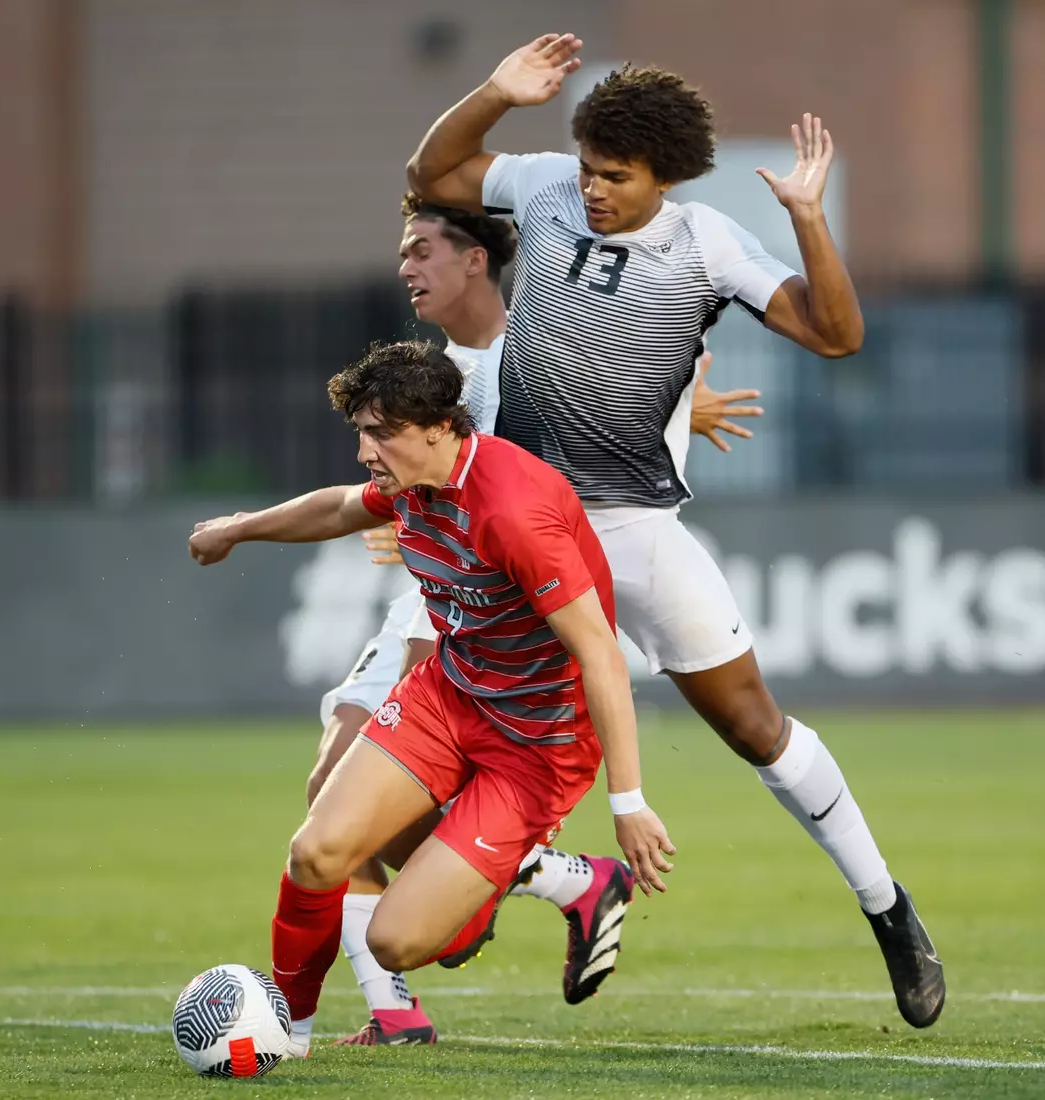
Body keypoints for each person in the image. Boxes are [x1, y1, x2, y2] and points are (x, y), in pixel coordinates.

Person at [405, 33, 944, 1027]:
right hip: (520, 525)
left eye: (618, 175)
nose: (595, 189)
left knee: (756, 729)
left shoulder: (707, 244)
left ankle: (887, 906)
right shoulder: (543, 187)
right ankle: (484, 886)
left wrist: (811, 222)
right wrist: (494, 92)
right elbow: (431, 171)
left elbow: (838, 334)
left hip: (634, 530)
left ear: (668, 174)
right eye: (589, 168)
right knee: (444, 722)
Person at [312, 198, 764, 1045]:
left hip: (492, 593)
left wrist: (676, 415)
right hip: (440, 575)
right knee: (334, 800)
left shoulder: (537, 346)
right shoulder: (432, 367)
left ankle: (459, 929)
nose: (406, 268)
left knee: (348, 790)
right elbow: (381, 477)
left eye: (421, 250)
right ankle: (513, 911)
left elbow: (584, 441)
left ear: (475, 259)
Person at [189, 339, 675, 1057]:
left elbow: (600, 652)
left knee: (395, 942)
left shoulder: (512, 510)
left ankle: (553, 880)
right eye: (360, 432)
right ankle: (286, 1031)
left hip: (536, 744)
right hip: (449, 696)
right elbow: (340, 509)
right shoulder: (414, 479)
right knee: (317, 853)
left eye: (379, 432)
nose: (365, 451)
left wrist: (627, 803)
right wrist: (239, 528)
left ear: (439, 427)